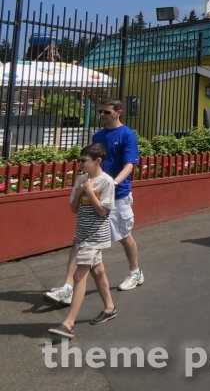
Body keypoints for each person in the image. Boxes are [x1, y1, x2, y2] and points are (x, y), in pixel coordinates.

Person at [46, 98, 144, 306]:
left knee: (123, 236)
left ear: (119, 112)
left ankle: (135, 272)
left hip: (118, 194)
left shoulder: (127, 134)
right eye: (101, 111)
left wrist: (113, 184)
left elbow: (129, 165)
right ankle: (68, 287)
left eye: (106, 112)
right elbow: (94, 159)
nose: (102, 115)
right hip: (95, 192)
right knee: (80, 240)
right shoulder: (98, 135)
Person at [47, 143, 117, 339]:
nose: (80, 164)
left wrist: (90, 193)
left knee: (79, 276)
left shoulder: (106, 182)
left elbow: (103, 211)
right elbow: (74, 209)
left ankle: (68, 324)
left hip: (95, 236)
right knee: (98, 271)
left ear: (97, 161)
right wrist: (79, 193)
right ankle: (110, 308)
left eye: (84, 161)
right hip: (82, 234)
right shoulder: (81, 180)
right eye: (79, 160)